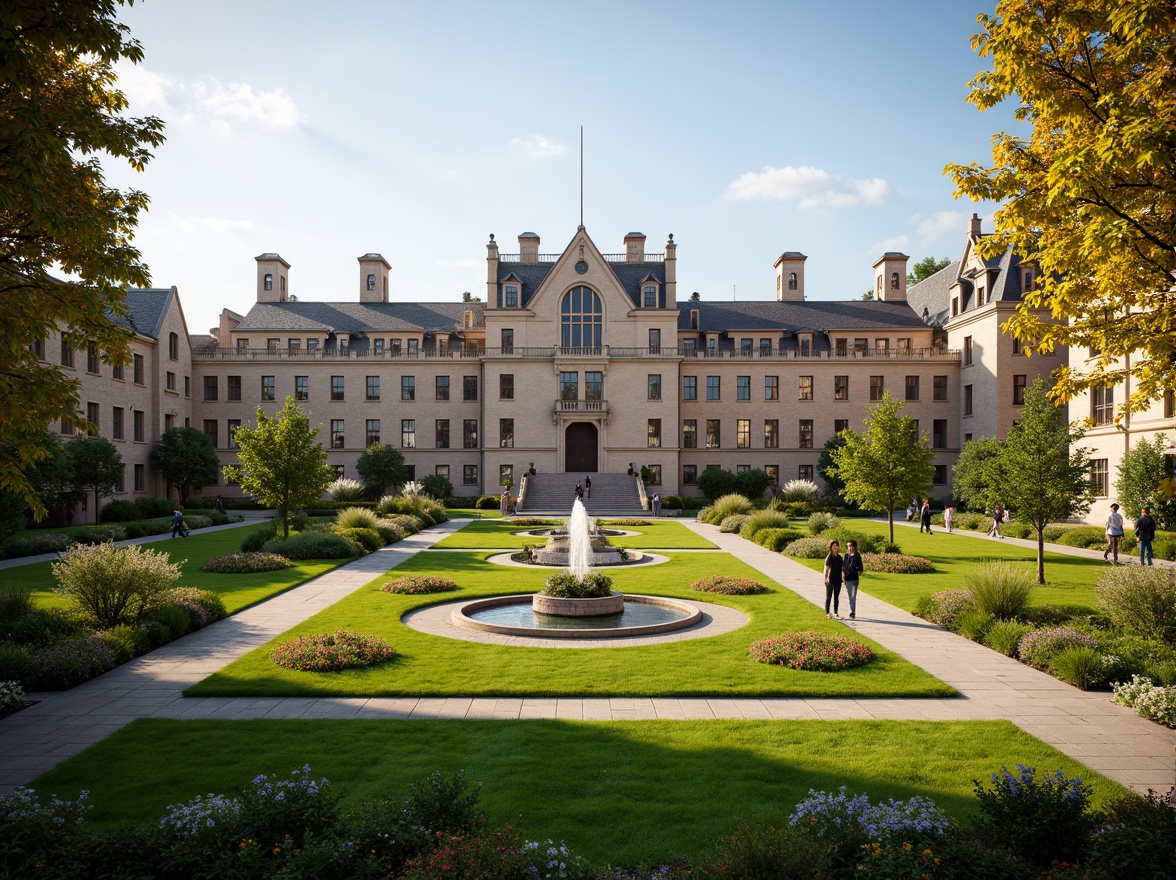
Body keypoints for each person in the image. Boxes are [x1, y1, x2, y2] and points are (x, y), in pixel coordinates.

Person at [842, 539, 863, 620]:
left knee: (853, 596)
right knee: (850, 596)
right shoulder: (846, 556)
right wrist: (844, 578)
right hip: (847, 579)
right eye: (848, 546)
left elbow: (860, 569)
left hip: (854, 580)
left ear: (854, 546)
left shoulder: (857, 556)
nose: (849, 548)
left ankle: (852, 612)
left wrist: (855, 572)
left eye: (851, 546)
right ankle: (852, 610)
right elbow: (843, 568)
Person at [823, 539, 843, 619]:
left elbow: (842, 569)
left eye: (836, 545)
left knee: (836, 597)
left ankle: (835, 612)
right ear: (830, 547)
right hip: (830, 580)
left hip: (838, 579)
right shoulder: (829, 557)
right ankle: (827, 613)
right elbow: (826, 569)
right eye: (833, 546)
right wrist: (825, 578)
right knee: (828, 597)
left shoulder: (840, 558)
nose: (835, 547)